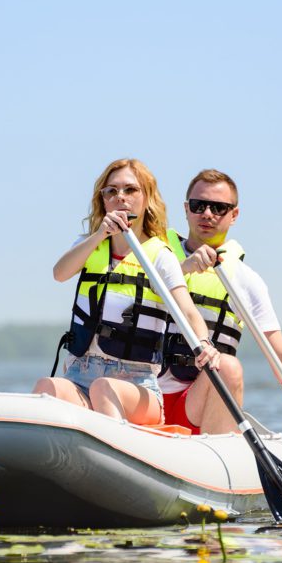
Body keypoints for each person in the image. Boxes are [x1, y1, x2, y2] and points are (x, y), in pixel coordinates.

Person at [158, 169, 282, 461]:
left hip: (197, 403)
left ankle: (213, 464)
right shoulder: (155, 257)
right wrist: (182, 268)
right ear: (185, 209)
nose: (207, 214)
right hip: (146, 397)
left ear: (234, 215)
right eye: (198, 205)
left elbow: (280, 354)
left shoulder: (245, 280)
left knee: (228, 367)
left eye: (218, 208)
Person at [33, 158, 221, 426]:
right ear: (104, 201)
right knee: (47, 387)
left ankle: (113, 459)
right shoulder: (88, 245)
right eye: (112, 191)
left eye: (130, 190)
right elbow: (59, 273)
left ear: (146, 199)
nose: (120, 197)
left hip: (136, 383)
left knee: (104, 388)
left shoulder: (160, 256)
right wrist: (99, 234)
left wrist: (204, 343)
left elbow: (188, 311)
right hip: (80, 373)